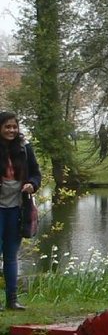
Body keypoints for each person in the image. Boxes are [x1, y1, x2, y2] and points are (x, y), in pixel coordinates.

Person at [0, 113, 40, 310]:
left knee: (10, 256)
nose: (11, 131)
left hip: (17, 209)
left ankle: (12, 300)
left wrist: (32, 184)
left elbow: (35, 174)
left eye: (14, 127)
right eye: (7, 127)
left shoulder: (25, 148)